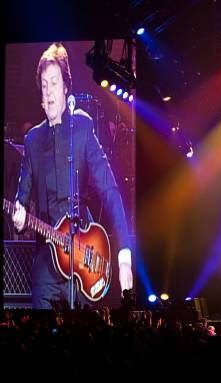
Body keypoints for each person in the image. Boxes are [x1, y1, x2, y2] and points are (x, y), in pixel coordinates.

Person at [11, 43, 133, 309]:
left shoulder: (83, 127)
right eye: (44, 85)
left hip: (85, 255)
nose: (49, 91)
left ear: (66, 88)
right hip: (48, 256)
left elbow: (109, 190)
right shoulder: (32, 140)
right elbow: (21, 199)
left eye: (54, 83)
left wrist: (124, 255)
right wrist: (19, 220)